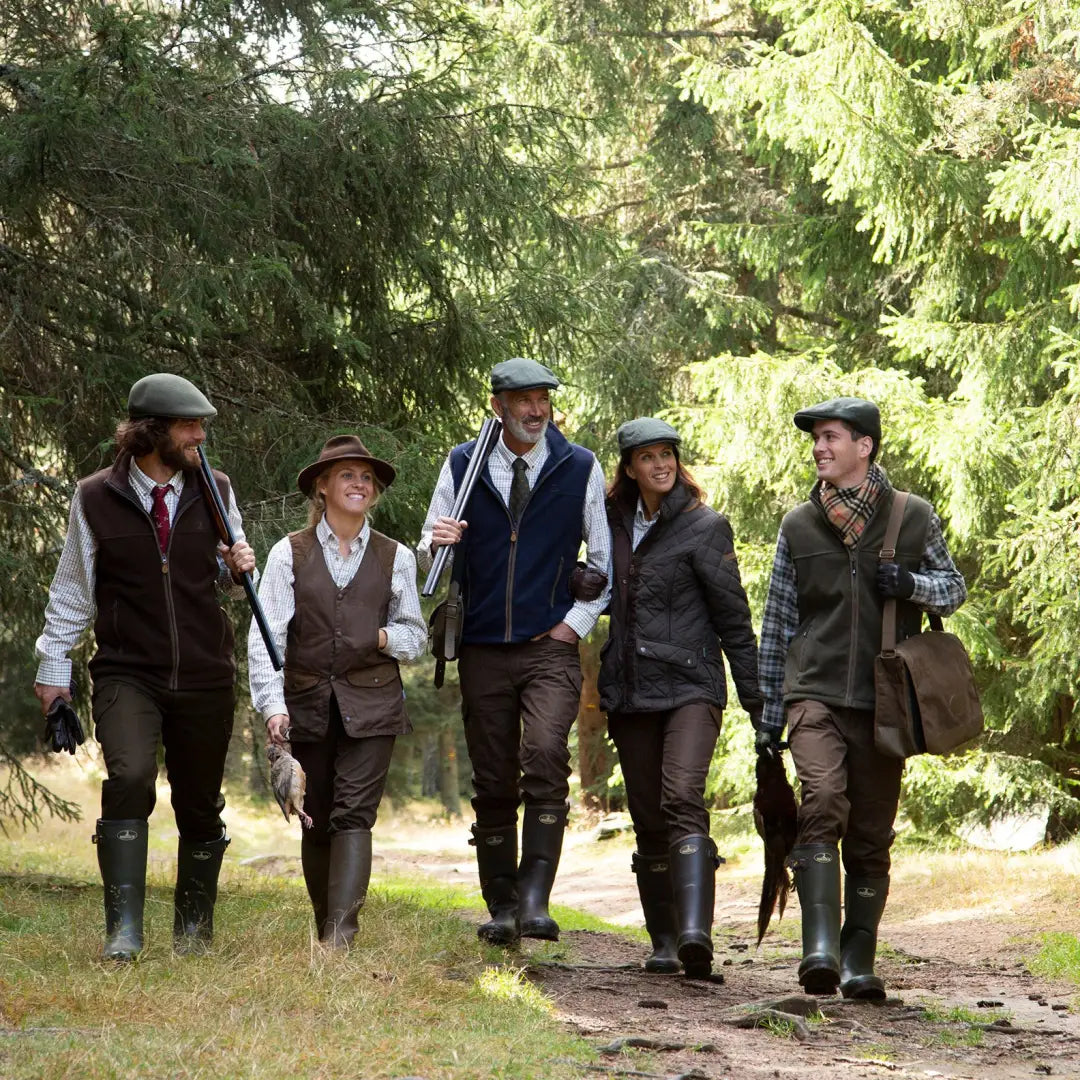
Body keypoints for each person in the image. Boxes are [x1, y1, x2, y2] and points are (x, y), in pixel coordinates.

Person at [33, 372, 257, 961]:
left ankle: (192, 933)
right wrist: (53, 669)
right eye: (189, 426)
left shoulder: (216, 488)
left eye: (202, 425)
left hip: (207, 671)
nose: (200, 437)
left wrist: (235, 568)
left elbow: (225, 583)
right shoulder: (94, 497)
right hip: (128, 671)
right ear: (151, 431)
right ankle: (124, 934)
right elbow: (74, 591)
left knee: (200, 801)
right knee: (129, 778)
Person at [758, 397, 967, 999]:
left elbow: (951, 591)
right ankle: (818, 950)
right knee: (822, 797)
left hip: (885, 701)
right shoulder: (798, 524)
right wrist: (771, 717)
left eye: (830, 438)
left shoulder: (912, 516)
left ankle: (858, 962)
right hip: (813, 692)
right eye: (817, 440)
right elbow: (778, 621)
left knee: (872, 832)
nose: (820, 449)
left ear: (864, 446)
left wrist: (912, 584)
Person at [418, 358, 611, 946]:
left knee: (547, 753)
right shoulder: (462, 462)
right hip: (478, 645)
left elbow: (603, 565)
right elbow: (425, 556)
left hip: (547, 646)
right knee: (494, 774)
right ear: (497, 404)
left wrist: (571, 627)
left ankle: (534, 900)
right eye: (523, 400)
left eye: (543, 399)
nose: (535, 410)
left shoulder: (578, 466)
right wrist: (436, 545)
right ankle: (501, 904)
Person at [598, 418, 762, 980]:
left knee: (681, 796)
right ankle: (665, 942)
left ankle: (697, 934)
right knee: (646, 816)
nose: (660, 465)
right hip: (628, 689)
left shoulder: (705, 526)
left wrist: (758, 703)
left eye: (667, 454)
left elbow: (734, 621)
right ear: (628, 467)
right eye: (647, 457)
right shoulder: (609, 524)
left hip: (691, 685)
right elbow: (606, 586)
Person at [250, 435, 426, 949]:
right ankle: (325, 923)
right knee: (315, 814)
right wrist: (272, 706)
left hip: (374, 702)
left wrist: (379, 637)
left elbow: (414, 635)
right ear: (322, 487)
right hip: (306, 702)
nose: (359, 484)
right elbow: (267, 634)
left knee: (354, 813)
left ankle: (341, 935)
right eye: (347, 475)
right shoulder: (289, 552)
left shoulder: (397, 556)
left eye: (366, 477)